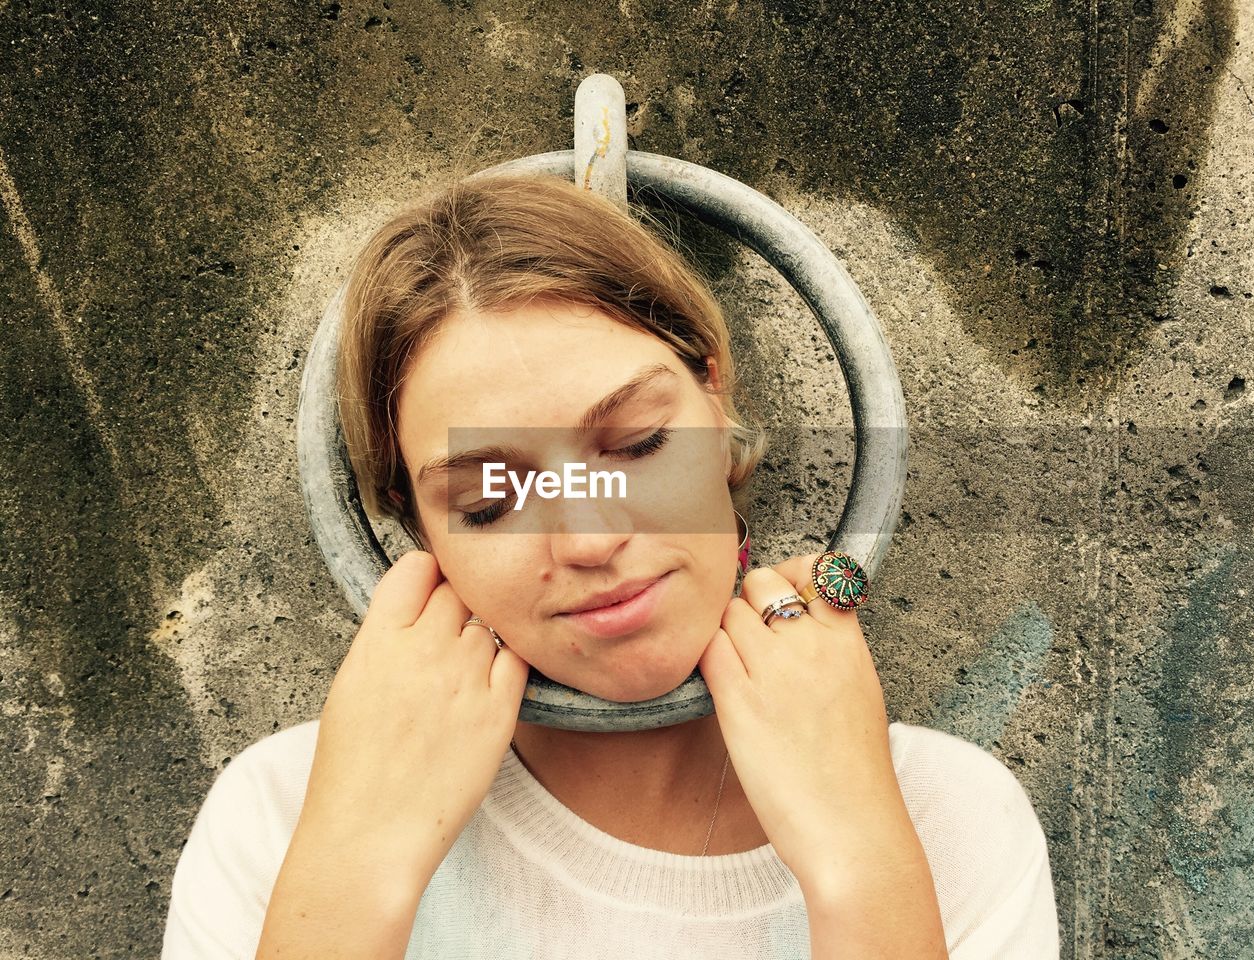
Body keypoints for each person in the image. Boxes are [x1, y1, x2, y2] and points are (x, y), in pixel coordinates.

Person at [162, 171, 1060, 959]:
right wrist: (355, 875)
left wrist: (860, 862)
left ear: (717, 400)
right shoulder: (283, 820)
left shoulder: (947, 819)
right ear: (417, 530)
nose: (587, 540)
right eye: (491, 502)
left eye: (636, 444)